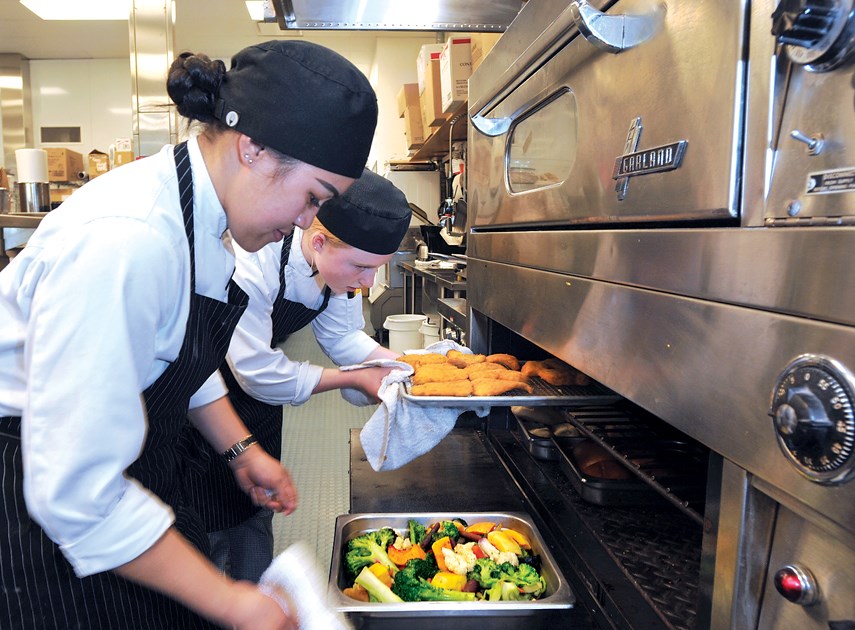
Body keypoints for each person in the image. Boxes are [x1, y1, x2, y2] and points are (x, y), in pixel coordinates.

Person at [0, 39, 377, 630]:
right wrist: (231, 602)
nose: (308, 222)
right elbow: (74, 489)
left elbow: (181, 354)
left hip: (134, 469)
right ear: (252, 149)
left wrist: (240, 449)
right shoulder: (129, 240)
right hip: (38, 505)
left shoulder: (202, 221)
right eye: (312, 197)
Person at [186, 168, 412, 582]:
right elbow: (256, 371)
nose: (367, 283)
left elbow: (344, 336)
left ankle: (256, 596)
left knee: (254, 515)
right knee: (210, 530)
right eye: (362, 267)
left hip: (260, 407)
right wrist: (351, 379)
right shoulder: (254, 259)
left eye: (376, 270)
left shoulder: (335, 273)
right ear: (320, 241)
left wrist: (405, 367)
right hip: (206, 397)